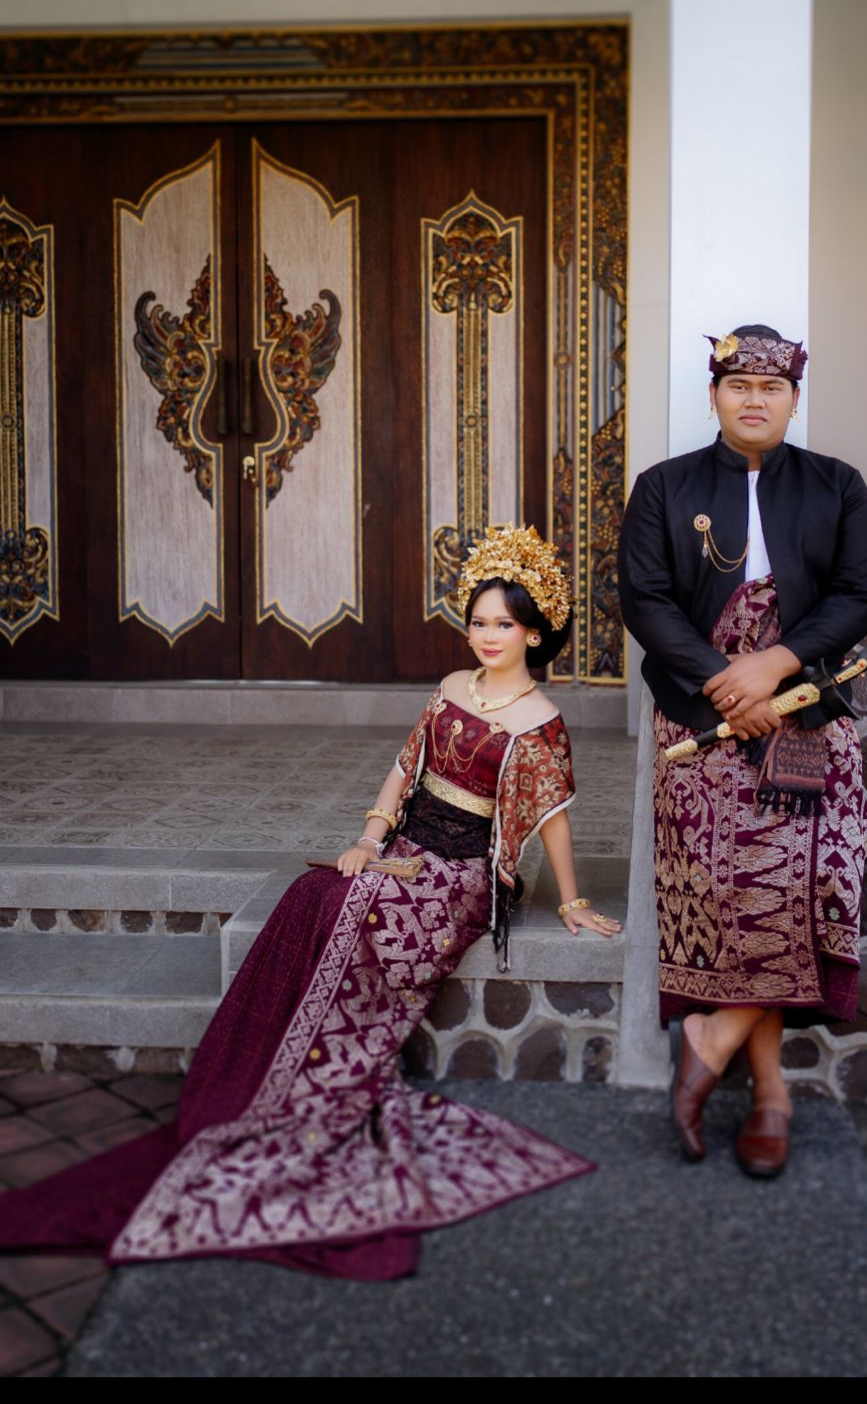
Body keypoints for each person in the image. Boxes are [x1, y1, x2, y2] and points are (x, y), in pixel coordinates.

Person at [0, 524, 620, 1278]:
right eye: (479, 622)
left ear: (534, 632)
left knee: (367, 910)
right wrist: (368, 837)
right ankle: (267, 1071)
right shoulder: (452, 687)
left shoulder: (540, 721)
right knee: (314, 892)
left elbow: (553, 820)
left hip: (461, 874)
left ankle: (322, 1077)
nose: (488, 636)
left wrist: (571, 902)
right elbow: (404, 769)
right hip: (405, 844)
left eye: (505, 625)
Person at [617, 325, 867, 1178]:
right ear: (714, 395)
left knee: (807, 888)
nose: (755, 399)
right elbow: (645, 600)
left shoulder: (837, 485)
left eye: (772, 387)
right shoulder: (664, 488)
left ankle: (713, 1039)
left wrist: (775, 665)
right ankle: (772, 1098)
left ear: (794, 398)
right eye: (739, 385)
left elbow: (857, 596)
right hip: (699, 716)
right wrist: (727, 683)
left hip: (806, 708)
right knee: (732, 895)